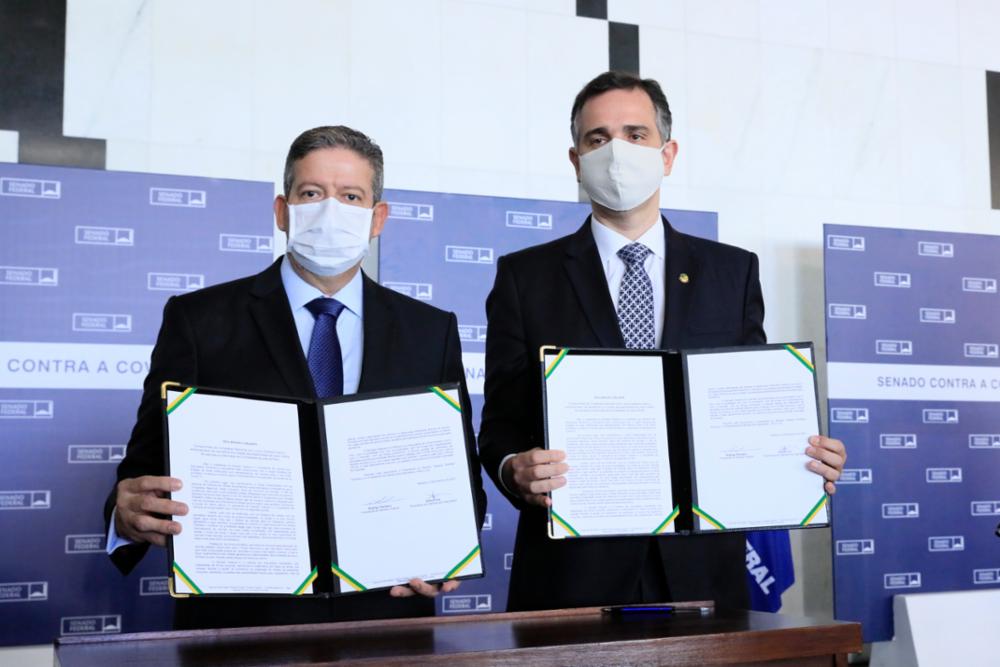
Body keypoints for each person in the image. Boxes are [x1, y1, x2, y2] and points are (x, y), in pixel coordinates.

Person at [478, 71, 845, 611]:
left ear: (667, 154)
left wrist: (803, 457)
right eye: (597, 139)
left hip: (702, 574)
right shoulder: (524, 278)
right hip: (571, 578)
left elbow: (748, 408)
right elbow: (500, 424)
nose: (617, 152)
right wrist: (515, 468)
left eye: (636, 134)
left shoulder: (731, 273)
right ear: (576, 161)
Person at [104, 125, 486, 628]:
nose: (331, 210)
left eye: (351, 196)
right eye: (312, 193)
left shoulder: (430, 331)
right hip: (239, 628)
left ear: (378, 218)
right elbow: (143, 469)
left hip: (386, 624)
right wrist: (124, 514)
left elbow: (459, 483)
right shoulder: (199, 320)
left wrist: (445, 551)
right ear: (282, 211)